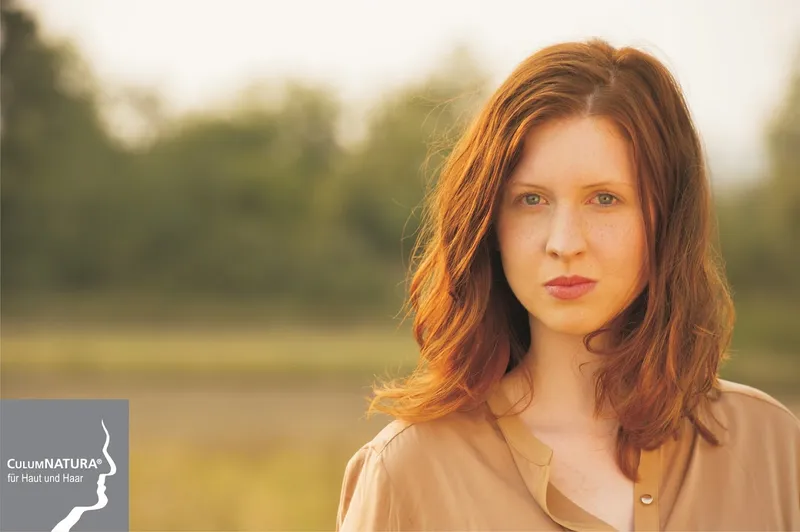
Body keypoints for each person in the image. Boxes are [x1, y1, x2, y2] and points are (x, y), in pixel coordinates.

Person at [335, 38, 800, 531]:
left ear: (667, 219)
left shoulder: (771, 446)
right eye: (531, 200)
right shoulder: (409, 470)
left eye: (604, 199)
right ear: (490, 225)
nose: (564, 242)